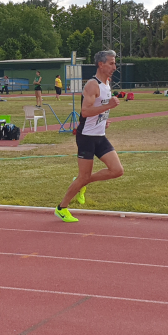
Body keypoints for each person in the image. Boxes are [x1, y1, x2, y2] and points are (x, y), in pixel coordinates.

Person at [54, 50, 124, 223]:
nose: (114, 67)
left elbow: (98, 110)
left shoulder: (107, 83)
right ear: (101, 64)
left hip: (100, 135)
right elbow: (85, 111)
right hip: (86, 137)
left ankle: (82, 182)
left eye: (115, 63)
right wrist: (109, 105)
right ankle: (61, 208)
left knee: (117, 171)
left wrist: (103, 119)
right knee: (83, 176)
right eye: (111, 63)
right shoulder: (93, 85)